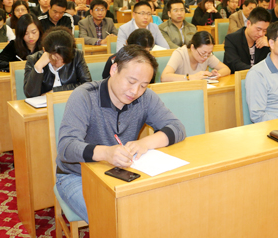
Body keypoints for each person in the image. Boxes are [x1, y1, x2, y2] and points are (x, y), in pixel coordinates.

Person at [55, 45, 186, 223]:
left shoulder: (145, 98)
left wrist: (144, 143)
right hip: (77, 176)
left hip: (121, 173)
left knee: (161, 209)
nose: (135, 91)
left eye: (143, 85)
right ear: (114, 69)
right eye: (131, 81)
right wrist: (106, 153)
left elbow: (177, 127)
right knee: (113, 220)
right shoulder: (85, 96)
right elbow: (66, 147)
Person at [23, 27, 91, 97]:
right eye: (55, 58)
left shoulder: (76, 55)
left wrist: (56, 91)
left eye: (64, 59)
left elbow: (87, 85)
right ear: (45, 50)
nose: (59, 63)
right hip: (44, 103)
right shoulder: (33, 60)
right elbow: (30, 95)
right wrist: (38, 67)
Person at [162, 31, 231, 82]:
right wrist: (191, 77)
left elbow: (226, 69)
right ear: (192, 47)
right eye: (202, 53)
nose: (205, 57)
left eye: (209, 53)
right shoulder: (180, 54)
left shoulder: (207, 54)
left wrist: (216, 74)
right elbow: (164, 77)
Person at [223, 7, 271, 74]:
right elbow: (234, 64)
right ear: (248, 24)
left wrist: (271, 45)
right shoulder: (232, 39)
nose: (261, 34)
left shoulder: (266, 40)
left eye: (265, 30)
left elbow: (276, 62)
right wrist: (257, 70)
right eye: (258, 29)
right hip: (238, 78)